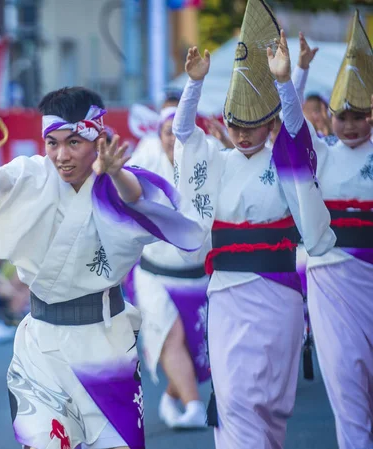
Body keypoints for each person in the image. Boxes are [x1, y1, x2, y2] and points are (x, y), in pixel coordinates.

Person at [0, 86, 204, 449]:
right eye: (53, 143)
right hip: (42, 345)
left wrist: (116, 174)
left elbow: (136, 197)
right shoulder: (33, 174)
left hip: (105, 344)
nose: (61, 155)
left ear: (99, 137)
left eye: (74, 142)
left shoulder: (117, 181)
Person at [171, 1, 335, 447]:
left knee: (269, 408)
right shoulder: (218, 162)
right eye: (236, 124)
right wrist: (195, 82)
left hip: (277, 295)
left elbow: (299, 135)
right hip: (225, 294)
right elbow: (183, 135)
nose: (243, 133)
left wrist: (285, 82)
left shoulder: (284, 162)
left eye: (254, 124)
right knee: (234, 401)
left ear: (269, 124)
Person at [300, 12, 373, 449]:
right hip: (331, 282)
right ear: (328, 116)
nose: (349, 123)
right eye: (341, 114)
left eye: (358, 114)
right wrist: (298, 72)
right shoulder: (320, 156)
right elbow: (289, 126)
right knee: (347, 391)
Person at [125, 106, 209, 429]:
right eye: (167, 132)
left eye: (180, 130)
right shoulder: (147, 158)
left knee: (190, 345)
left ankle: (174, 397)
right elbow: (124, 186)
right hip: (154, 273)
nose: (173, 138)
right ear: (158, 135)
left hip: (197, 276)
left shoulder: (206, 162)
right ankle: (195, 407)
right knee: (171, 337)